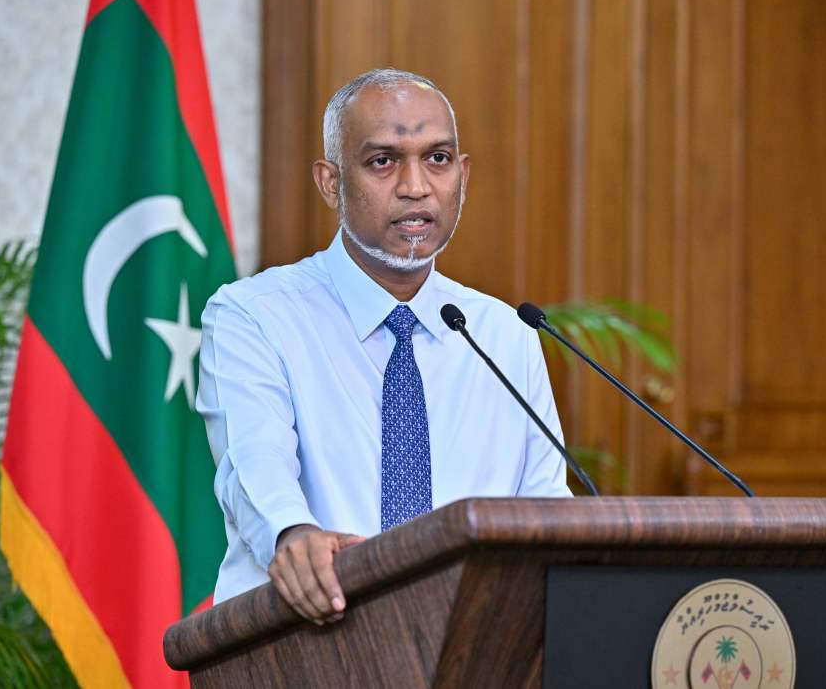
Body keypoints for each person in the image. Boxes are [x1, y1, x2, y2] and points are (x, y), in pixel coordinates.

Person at [196, 69, 570, 625]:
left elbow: (545, 514)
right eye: (383, 161)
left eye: (438, 159)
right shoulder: (255, 315)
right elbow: (253, 462)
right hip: (306, 638)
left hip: (469, 645)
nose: (415, 186)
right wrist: (292, 533)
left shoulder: (503, 335)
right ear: (331, 182)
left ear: (462, 176)